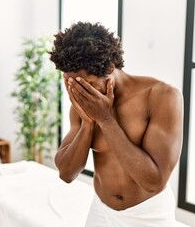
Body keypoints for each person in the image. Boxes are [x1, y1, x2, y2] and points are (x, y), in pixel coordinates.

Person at [49, 22, 183, 227]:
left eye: (88, 84)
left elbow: (154, 182)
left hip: (148, 214)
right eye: (70, 83)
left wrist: (105, 119)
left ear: (110, 68)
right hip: (101, 209)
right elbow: (66, 174)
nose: (78, 92)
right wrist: (87, 122)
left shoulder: (161, 96)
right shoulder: (83, 103)